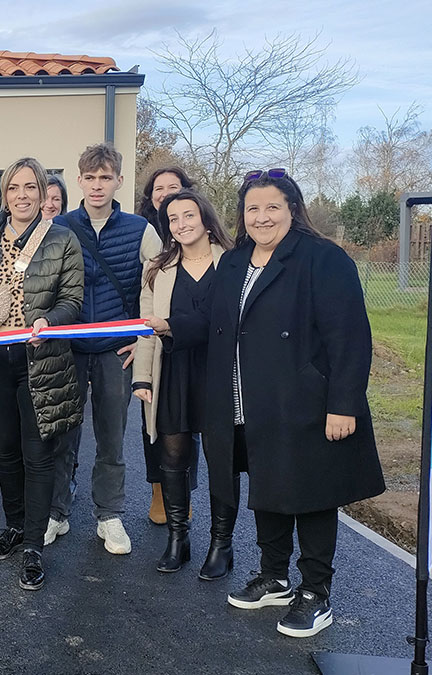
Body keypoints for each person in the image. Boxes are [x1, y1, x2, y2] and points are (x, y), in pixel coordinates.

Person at [151, 169, 385, 637]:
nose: (261, 217)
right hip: (246, 402)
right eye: (252, 209)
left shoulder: (323, 258)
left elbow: (350, 338)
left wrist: (343, 404)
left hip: (305, 402)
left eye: (272, 207)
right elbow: (213, 320)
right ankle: (275, 575)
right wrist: (170, 327)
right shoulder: (236, 261)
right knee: (268, 488)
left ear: (292, 209)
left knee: (313, 495)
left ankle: (315, 593)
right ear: (241, 216)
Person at [0, 157, 84, 590]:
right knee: (5, 451)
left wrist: (50, 321)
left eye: (31, 187)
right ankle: (14, 526)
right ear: (4, 193)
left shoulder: (62, 238)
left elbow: (73, 298)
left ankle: (34, 544)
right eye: (15, 188)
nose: (23, 195)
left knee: (38, 454)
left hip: (41, 361)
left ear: (44, 192)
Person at [47, 143, 161, 555]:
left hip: (117, 350)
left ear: (119, 181)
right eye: (90, 178)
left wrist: (142, 337)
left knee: (111, 438)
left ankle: (109, 515)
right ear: (79, 181)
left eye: (105, 177)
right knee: (63, 435)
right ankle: (57, 512)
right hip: (68, 349)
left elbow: (155, 291)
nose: (98, 185)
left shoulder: (140, 230)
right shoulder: (58, 227)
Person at [131, 190, 232, 575]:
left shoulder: (233, 263)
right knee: (172, 457)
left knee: (220, 460)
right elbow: (145, 327)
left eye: (188, 215)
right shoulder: (157, 268)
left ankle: (221, 545)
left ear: (206, 218)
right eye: (173, 219)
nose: (181, 224)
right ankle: (179, 538)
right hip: (173, 370)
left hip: (221, 374)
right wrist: (142, 377)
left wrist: (173, 326)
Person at [136, 166, 199, 526]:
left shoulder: (210, 245)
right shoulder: (142, 234)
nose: (164, 193)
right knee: (158, 427)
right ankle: (162, 492)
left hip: (196, 349)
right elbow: (140, 301)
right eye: (158, 189)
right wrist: (134, 341)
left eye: (172, 187)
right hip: (156, 344)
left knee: (193, 433)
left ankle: (185, 496)